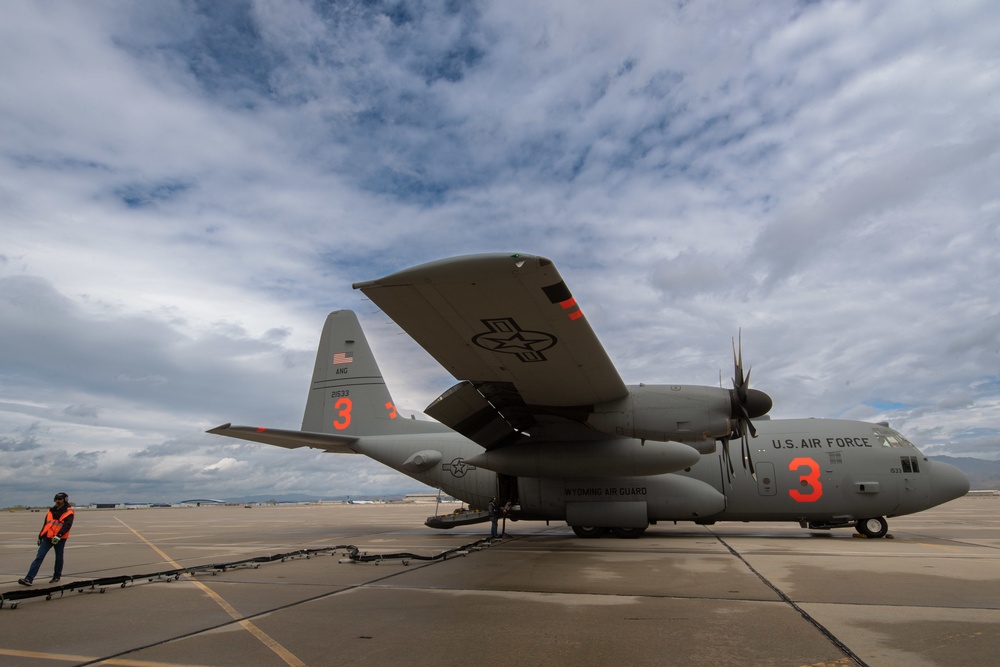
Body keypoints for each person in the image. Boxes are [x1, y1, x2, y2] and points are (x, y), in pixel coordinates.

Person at [19, 492, 74, 586]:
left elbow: (67, 525)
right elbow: (46, 524)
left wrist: (59, 535)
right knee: (39, 557)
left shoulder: (69, 512)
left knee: (59, 558)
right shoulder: (51, 511)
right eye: (56, 499)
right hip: (47, 537)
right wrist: (40, 536)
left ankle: (57, 576)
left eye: (60, 499)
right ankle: (29, 578)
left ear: (65, 500)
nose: (58, 501)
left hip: (59, 538)